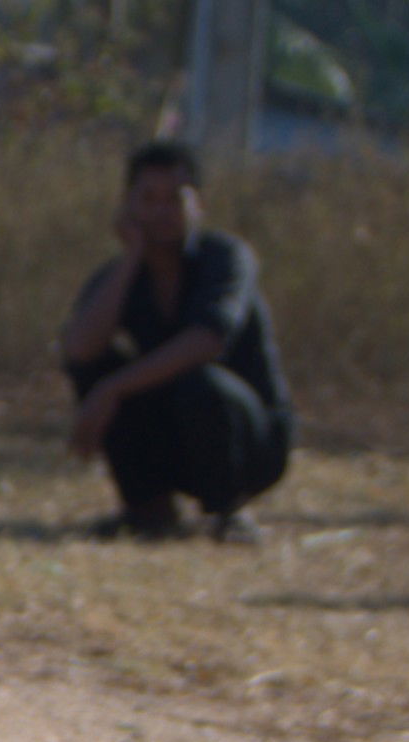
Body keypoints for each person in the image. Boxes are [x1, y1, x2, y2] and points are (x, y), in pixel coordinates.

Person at [54, 137, 294, 541]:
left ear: (197, 204)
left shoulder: (227, 258)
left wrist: (112, 389)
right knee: (96, 368)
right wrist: (131, 257)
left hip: (250, 442)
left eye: (174, 200)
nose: (161, 212)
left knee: (195, 381)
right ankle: (149, 510)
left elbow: (208, 340)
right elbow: (78, 349)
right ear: (127, 205)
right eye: (148, 199)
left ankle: (227, 513)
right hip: (176, 439)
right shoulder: (120, 276)